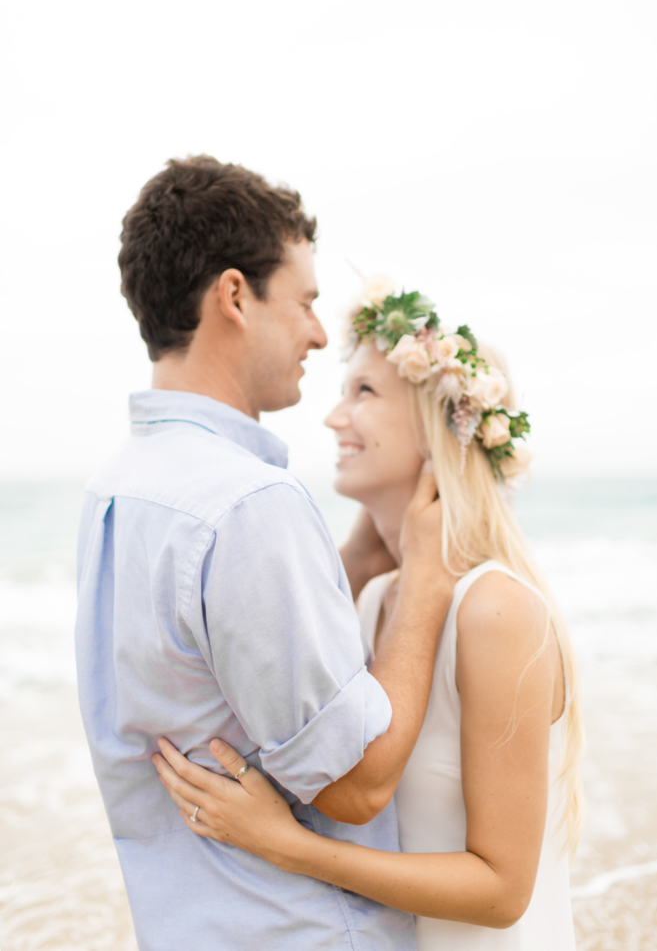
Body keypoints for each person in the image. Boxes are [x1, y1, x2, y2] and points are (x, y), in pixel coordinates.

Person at [75, 158, 460, 951]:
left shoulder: (117, 490)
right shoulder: (247, 505)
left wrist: (356, 557)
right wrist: (423, 577)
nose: (319, 333)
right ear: (235, 296)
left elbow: (216, 667)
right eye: (307, 301)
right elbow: (359, 782)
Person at [152, 278, 585, 950]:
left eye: (365, 393)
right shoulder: (381, 599)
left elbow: (502, 892)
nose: (333, 417)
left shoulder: (495, 610)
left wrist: (286, 846)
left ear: (442, 427)